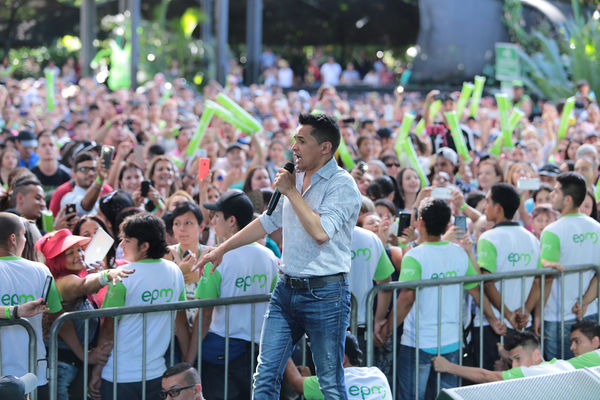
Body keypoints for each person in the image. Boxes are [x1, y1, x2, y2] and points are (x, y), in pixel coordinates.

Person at [195, 113, 362, 399]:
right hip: (286, 289)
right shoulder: (294, 177)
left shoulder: (342, 185)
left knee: (330, 383)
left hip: (326, 293)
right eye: (293, 139)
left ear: (325, 148)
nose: (293, 147)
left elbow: (321, 232)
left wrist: (291, 191)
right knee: (265, 375)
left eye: (301, 140)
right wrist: (221, 249)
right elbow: (267, 222)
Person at [381, 198, 505, 400]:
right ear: (448, 224)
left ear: (420, 222)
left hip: (418, 343)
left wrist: (386, 329)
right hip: (451, 342)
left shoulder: (415, 256)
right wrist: (492, 318)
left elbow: (407, 298)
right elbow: (475, 291)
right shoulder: (458, 253)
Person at [187, 190, 279, 400]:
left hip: (221, 354)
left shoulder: (218, 258)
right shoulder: (270, 257)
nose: (212, 221)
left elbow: (204, 315)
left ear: (232, 221)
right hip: (259, 351)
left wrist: (189, 360)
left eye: (217, 216)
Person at [89, 213, 189, 400]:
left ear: (145, 246)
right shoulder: (174, 271)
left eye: (127, 240)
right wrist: (188, 362)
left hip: (120, 375)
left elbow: (108, 327)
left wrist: (97, 369)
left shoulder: (123, 275)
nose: (121, 245)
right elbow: (181, 321)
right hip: (157, 374)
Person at [35, 228, 132, 399]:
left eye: (79, 249)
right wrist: (108, 274)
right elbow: (83, 286)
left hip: (70, 365)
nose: (79, 254)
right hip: (62, 367)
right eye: (69, 253)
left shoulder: (71, 276)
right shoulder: (64, 281)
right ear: (57, 260)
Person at [471, 183, 541, 370]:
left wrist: (509, 315)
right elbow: (538, 281)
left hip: (493, 324)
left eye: (487, 201)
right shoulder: (532, 238)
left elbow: (487, 281)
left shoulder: (488, 238)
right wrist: (524, 312)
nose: (485, 206)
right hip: (521, 324)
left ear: (498, 208)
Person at [0, 212, 63, 397]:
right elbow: (55, 313)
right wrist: (17, 310)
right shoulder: (41, 270)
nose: (26, 241)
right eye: (23, 235)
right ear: (13, 238)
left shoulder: (42, 270)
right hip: (33, 369)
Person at [538, 172, 600, 359]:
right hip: (590, 314)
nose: (551, 195)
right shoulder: (597, 227)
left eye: (556, 191)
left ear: (568, 199)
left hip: (557, 317)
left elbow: (547, 277)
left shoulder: (552, 231)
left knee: (558, 376)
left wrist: (539, 314)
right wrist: (585, 302)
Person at [432, 331, 575, 383]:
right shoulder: (559, 364)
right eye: (511, 361)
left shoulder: (531, 372)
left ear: (536, 355)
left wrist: (448, 366)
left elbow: (486, 376)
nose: (514, 366)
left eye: (518, 359)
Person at [284, 332, 391, 400]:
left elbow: (295, 383)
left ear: (342, 358)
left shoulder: (332, 380)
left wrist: (282, 349)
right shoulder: (378, 374)